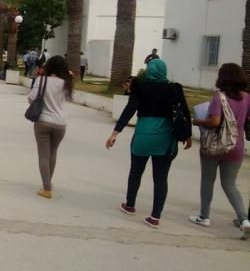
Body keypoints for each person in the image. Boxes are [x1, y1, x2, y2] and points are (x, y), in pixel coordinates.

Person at [106, 59, 192, 229]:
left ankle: (130, 205)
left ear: (150, 71)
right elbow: (185, 112)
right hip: (165, 139)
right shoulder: (174, 88)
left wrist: (115, 133)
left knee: (136, 171)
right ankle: (155, 217)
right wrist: (187, 136)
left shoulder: (140, 87)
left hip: (143, 136)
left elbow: (129, 109)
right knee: (160, 177)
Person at [189, 63, 250, 236]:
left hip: (214, 146)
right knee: (230, 184)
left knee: (208, 180)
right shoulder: (246, 98)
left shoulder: (219, 96)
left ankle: (204, 216)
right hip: (236, 146)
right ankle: (244, 219)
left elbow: (215, 122)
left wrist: (198, 121)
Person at [28, 56, 73, 199]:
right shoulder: (66, 83)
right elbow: (69, 99)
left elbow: (31, 98)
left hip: (43, 121)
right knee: (53, 153)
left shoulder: (42, 80)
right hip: (60, 123)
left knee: (43, 155)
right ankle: (48, 183)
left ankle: (47, 189)